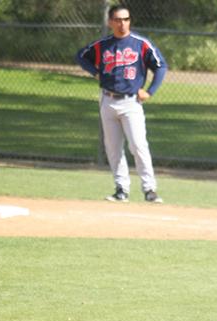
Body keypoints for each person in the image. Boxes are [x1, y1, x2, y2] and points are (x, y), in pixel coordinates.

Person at [76, 5, 167, 203]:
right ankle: (121, 189)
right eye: (118, 19)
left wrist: (149, 91)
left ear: (130, 21)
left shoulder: (140, 44)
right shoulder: (103, 45)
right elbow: (81, 56)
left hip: (131, 102)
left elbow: (160, 66)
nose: (122, 23)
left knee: (138, 146)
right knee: (113, 148)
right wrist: (95, 72)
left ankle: (150, 189)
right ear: (110, 22)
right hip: (107, 99)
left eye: (126, 19)